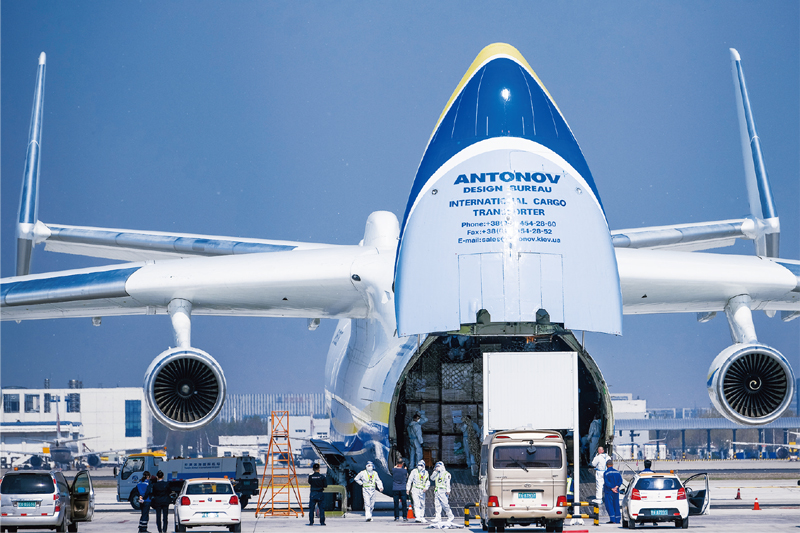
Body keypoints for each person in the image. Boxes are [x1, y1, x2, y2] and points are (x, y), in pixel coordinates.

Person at [602, 460, 623, 524]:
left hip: (609, 491)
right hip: (616, 491)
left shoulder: (606, 473)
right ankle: (618, 520)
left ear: (606, 465)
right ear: (612, 464)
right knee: (616, 505)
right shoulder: (617, 472)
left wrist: (612, 488)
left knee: (609, 505)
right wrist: (616, 487)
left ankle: (612, 519)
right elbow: (620, 481)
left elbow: (607, 482)